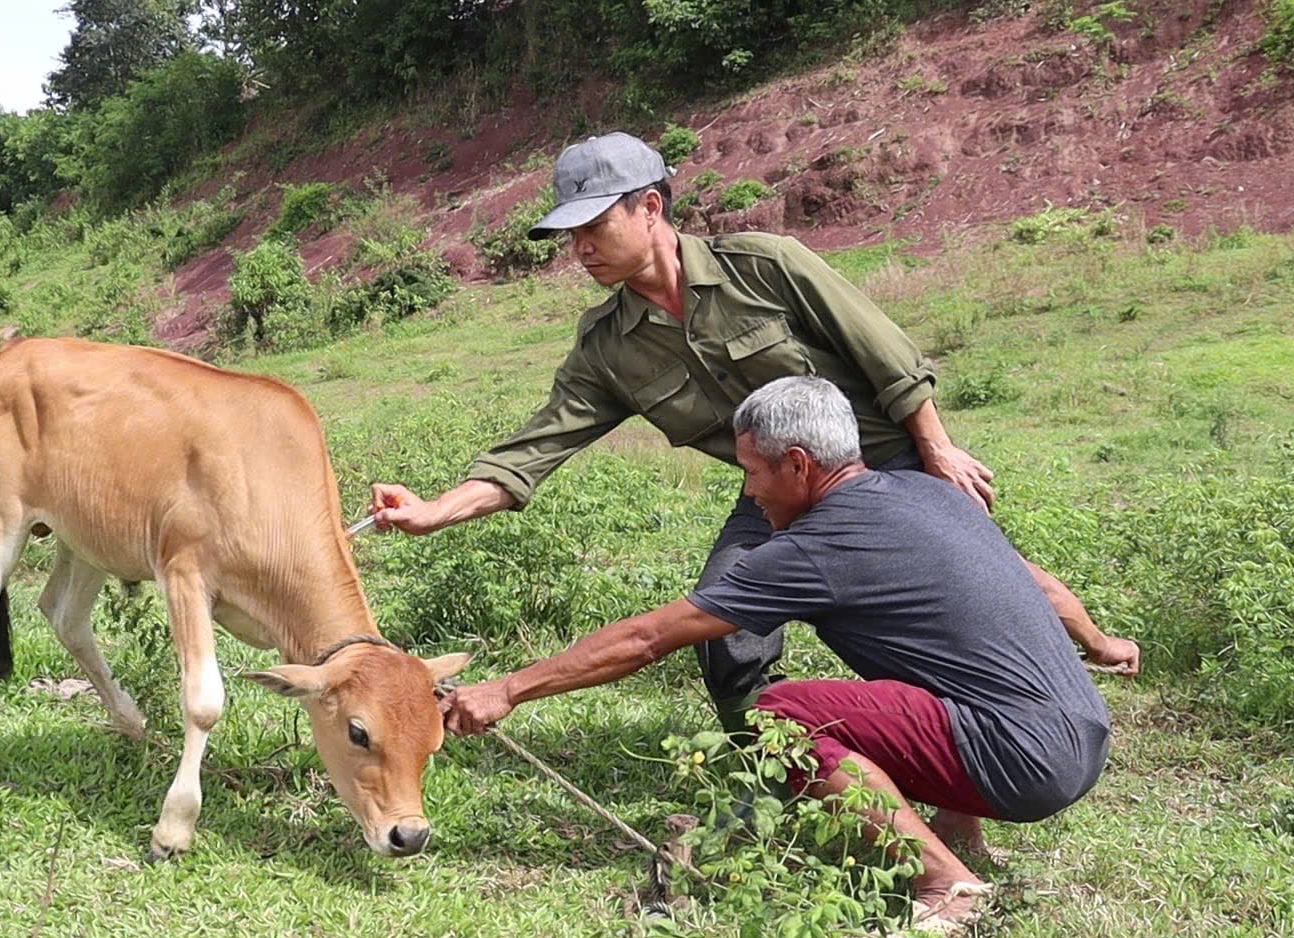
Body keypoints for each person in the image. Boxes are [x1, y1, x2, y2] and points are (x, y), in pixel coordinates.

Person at [365, 131, 1137, 741]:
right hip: (775, 496)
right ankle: (783, 766)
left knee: (980, 588)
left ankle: (1093, 646)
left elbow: (885, 353)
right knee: (727, 633)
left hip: (884, 463)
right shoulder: (608, 346)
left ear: (650, 210)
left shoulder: (766, 266)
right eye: (570, 236)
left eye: (595, 226)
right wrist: (435, 509)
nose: (581, 250)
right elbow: (534, 450)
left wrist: (936, 449)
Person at [439, 376, 1135, 938]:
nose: (748, 491)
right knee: (918, 662)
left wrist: (509, 688)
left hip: (1023, 762)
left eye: (752, 471)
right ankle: (961, 832)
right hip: (1081, 735)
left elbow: (649, 637)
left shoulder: (814, 547)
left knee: (785, 711)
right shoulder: (925, 492)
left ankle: (944, 882)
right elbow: (1038, 584)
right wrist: (1101, 643)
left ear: (799, 464)